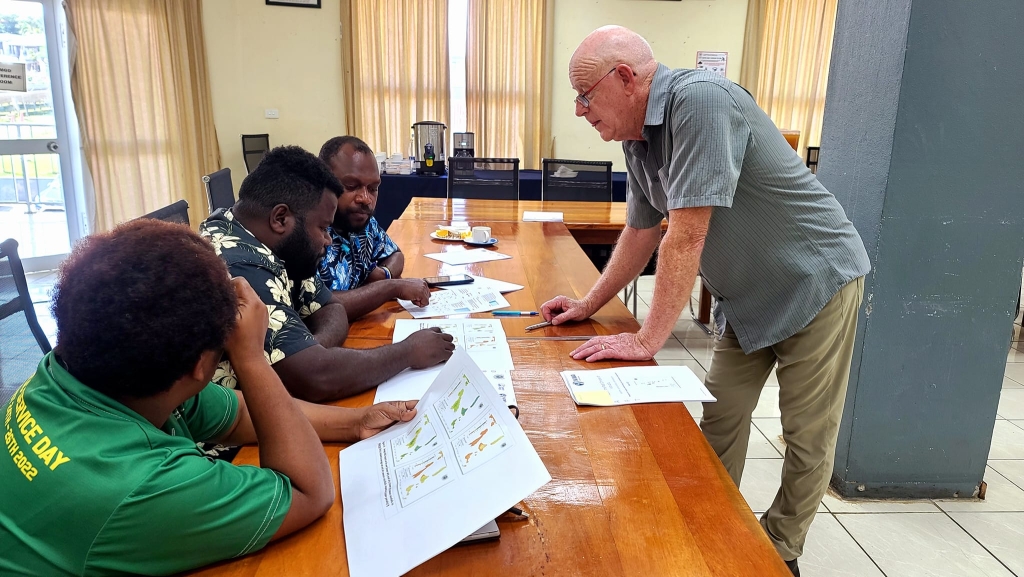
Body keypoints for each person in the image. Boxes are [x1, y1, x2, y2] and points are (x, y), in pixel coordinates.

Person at [541, 26, 870, 576]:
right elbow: (643, 231)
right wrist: (588, 303)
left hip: (815, 282)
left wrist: (648, 340)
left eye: (584, 95)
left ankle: (781, 551)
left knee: (806, 434)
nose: (579, 110)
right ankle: (710, 527)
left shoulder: (700, 103)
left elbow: (687, 233)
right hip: (748, 298)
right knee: (721, 412)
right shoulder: (636, 140)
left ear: (624, 78)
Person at [0, 219, 419, 576]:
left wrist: (355, 420)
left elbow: (236, 414)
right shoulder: (143, 487)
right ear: (201, 367)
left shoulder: (85, 369)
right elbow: (310, 493)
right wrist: (251, 357)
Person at [199, 146, 454, 403]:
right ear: (280, 218)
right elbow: (316, 379)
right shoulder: (237, 265)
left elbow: (333, 308)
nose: (329, 240)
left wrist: (311, 349)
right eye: (323, 228)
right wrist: (408, 352)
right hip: (226, 438)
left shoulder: (277, 244)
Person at [318, 135, 430, 321]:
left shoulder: (362, 222)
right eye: (351, 186)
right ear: (322, 183)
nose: (365, 198)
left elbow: (395, 254)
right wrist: (391, 287)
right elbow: (320, 305)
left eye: (373, 188)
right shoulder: (309, 232)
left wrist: (384, 274)